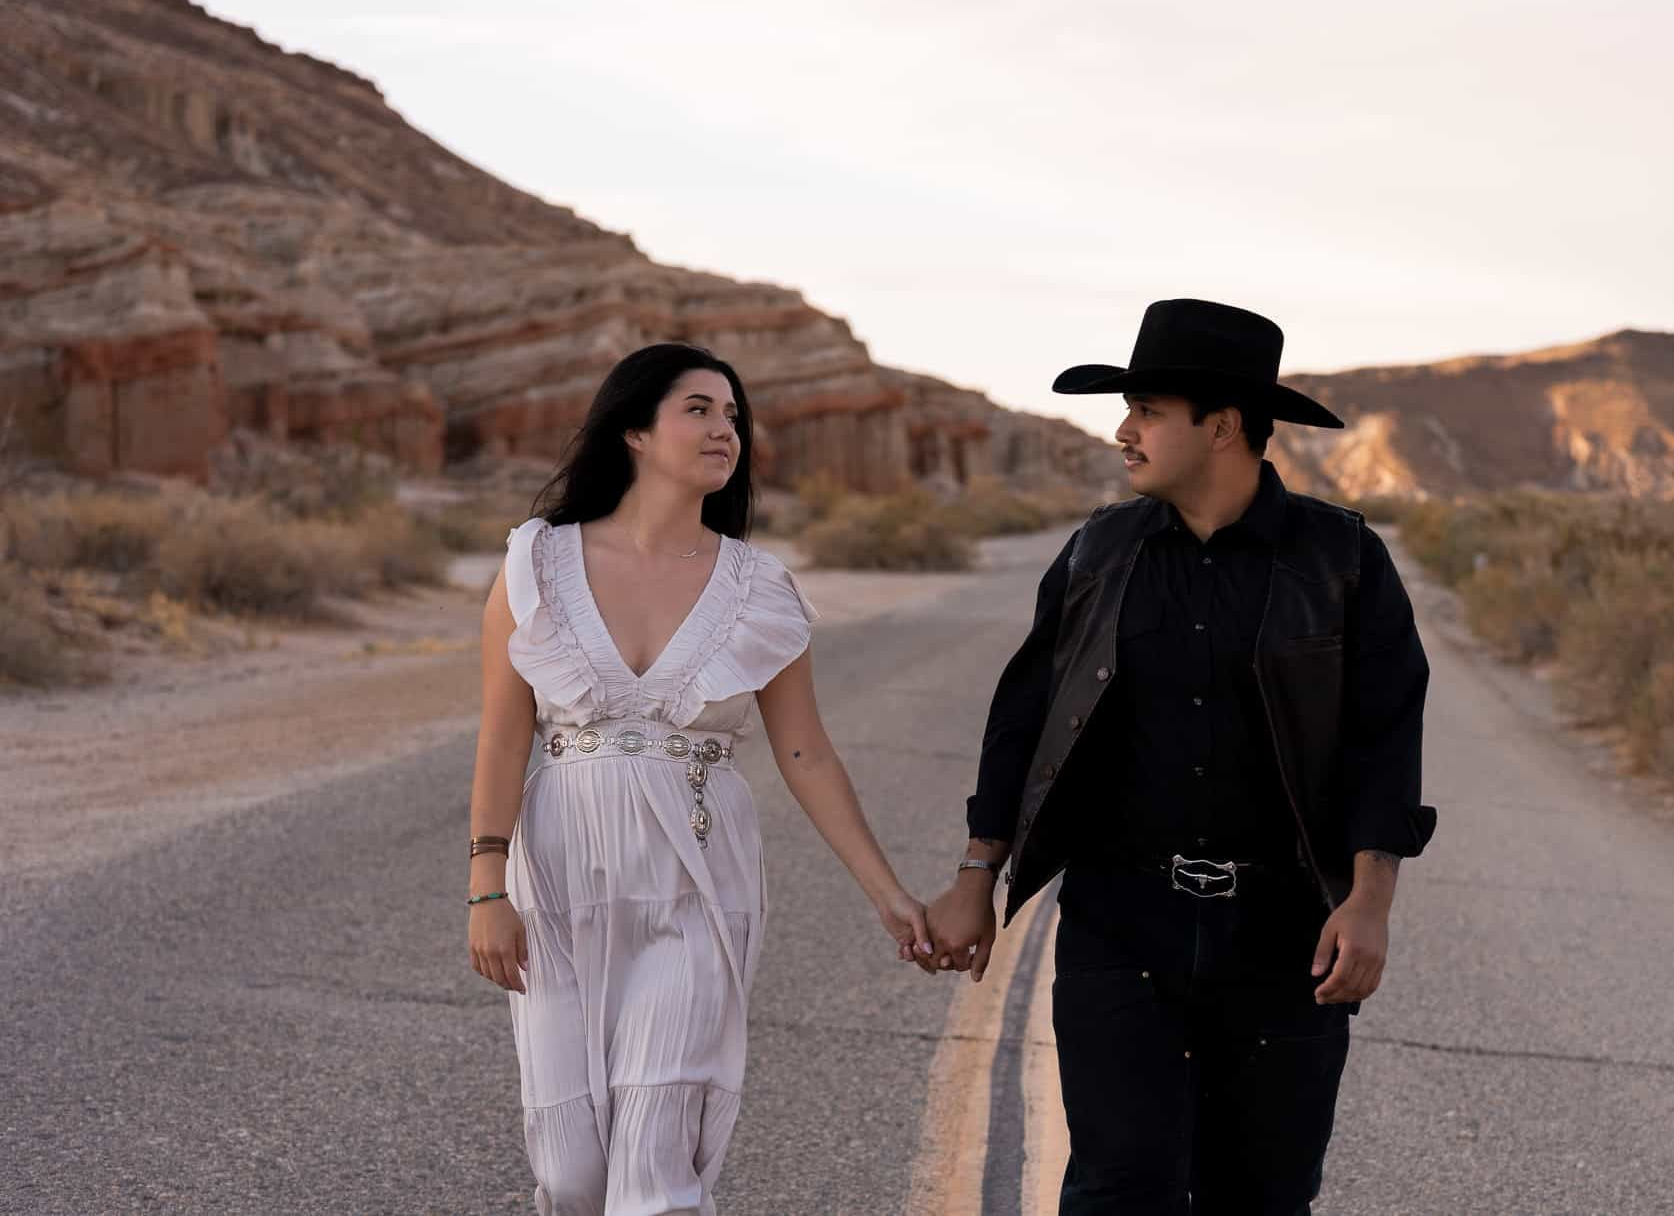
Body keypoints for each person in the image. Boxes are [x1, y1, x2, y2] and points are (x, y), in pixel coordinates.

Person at [921, 299, 1437, 1214]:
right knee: (1120, 1187)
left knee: (1262, 1195)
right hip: (1121, 921)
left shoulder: (1344, 559)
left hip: (1286, 933)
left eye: (1148, 409)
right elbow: (1024, 717)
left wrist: (1370, 901)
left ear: (1224, 425)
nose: (1124, 430)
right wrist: (977, 871)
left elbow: (1384, 739)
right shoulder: (1098, 551)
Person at [463, 342, 932, 1215]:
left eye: (734, 415)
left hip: (697, 880)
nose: (726, 429)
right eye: (700, 409)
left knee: (652, 1167)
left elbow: (807, 752)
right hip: (560, 878)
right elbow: (502, 732)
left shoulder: (758, 586)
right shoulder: (537, 563)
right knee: (570, 1172)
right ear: (635, 431)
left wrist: (886, 891)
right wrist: (485, 886)